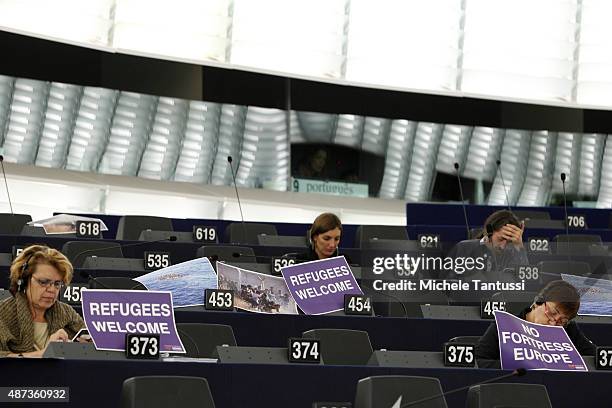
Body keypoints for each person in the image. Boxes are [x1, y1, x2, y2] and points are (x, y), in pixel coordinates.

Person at [476, 280, 596, 368]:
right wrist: (520, 364)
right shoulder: (504, 325)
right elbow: (478, 361)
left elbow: (596, 359)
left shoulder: (569, 329)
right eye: (553, 313)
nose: (554, 323)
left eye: (562, 321)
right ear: (538, 302)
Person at [0, 245, 85, 357]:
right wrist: (45, 353)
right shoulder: (3, 313)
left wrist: (85, 347)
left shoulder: (67, 313)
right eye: (43, 282)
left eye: (57, 284)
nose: (52, 290)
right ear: (24, 280)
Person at [448, 210, 529, 275]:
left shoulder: (513, 255)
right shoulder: (464, 248)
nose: (503, 246)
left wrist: (519, 246)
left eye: (509, 242)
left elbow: (524, 283)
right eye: (500, 239)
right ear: (489, 232)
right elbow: (448, 283)